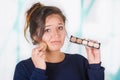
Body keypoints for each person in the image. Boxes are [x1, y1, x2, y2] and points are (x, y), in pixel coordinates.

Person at [13, 2, 104, 80]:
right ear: (35, 36)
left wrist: (95, 67)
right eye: (47, 30)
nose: (56, 35)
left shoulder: (80, 62)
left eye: (60, 28)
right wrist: (39, 70)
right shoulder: (23, 68)